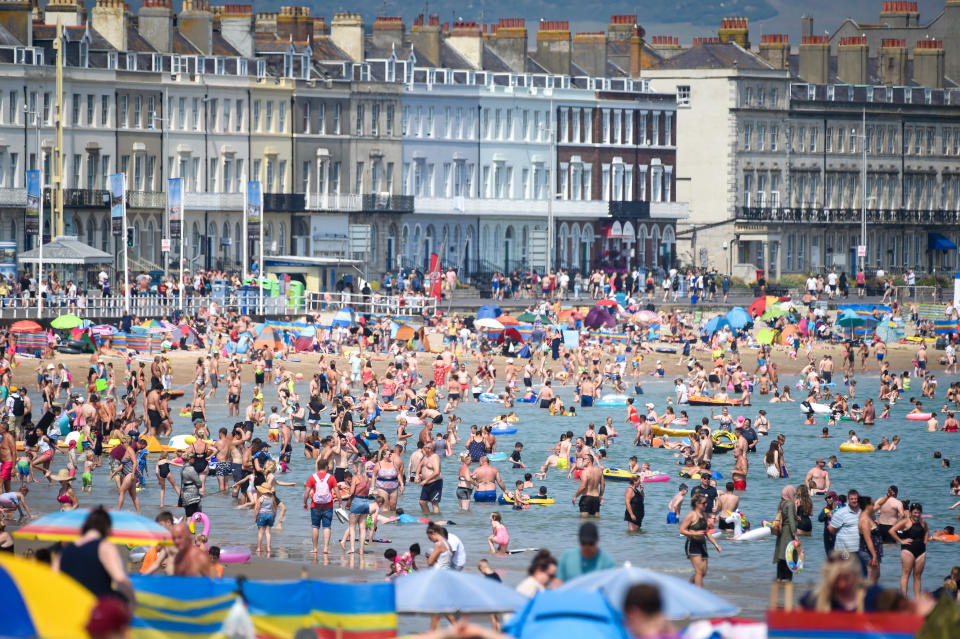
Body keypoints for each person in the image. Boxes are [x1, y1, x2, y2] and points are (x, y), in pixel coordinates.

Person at [53, 507, 135, 603]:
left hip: (70, 606)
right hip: (96, 609)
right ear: (107, 529)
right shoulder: (105, 547)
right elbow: (120, 579)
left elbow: (54, 578)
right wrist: (132, 603)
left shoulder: (65, 550)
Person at [680, 494, 721, 587]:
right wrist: (695, 533)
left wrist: (716, 544)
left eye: (706, 502)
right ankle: (700, 594)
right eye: (704, 503)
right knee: (698, 572)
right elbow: (682, 530)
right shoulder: (691, 515)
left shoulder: (703, 515)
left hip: (702, 545)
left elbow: (707, 532)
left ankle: (689, 586)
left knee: (703, 572)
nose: (706, 504)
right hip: (692, 545)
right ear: (697, 504)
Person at [890, 503, 928, 598]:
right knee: (906, 574)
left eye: (919, 513)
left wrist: (925, 541)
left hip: (921, 551)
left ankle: (917, 599)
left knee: (917, 576)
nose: (917, 515)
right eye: (915, 513)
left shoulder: (923, 522)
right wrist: (901, 541)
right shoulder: (906, 521)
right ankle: (904, 598)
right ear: (911, 512)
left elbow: (927, 531)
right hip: (908, 550)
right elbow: (891, 531)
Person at [304, 457, 341, 555]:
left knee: (315, 527)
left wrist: (305, 503)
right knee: (327, 527)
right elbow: (337, 491)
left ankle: (315, 549)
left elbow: (307, 492)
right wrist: (340, 501)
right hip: (328, 505)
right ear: (326, 467)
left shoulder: (312, 477)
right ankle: (325, 548)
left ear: (318, 466)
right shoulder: (331, 477)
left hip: (315, 505)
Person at [773, 485, 800, 584]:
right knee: (790, 555)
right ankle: (788, 580)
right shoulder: (790, 504)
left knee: (781, 555)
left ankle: (779, 578)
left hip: (781, 531)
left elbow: (783, 517)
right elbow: (791, 522)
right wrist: (795, 535)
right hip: (788, 532)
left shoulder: (781, 503)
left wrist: (795, 517)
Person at [828, 489, 861, 554]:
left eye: (856, 499)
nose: (854, 501)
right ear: (848, 500)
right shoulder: (840, 513)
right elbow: (831, 528)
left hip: (857, 547)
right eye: (852, 499)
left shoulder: (862, 512)